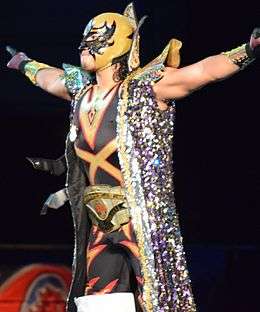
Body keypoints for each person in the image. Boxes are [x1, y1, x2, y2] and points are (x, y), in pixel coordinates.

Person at [6, 3, 260, 312]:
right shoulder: (81, 91)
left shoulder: (145, 88)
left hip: (139, 220)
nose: (84, 46)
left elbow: (202, 72)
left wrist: (246, 51)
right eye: (85, 38)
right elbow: (50, 78)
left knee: (154, 299)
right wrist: (23, 63)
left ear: (120, 44)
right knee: (100, 302)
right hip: (100, 221)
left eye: (95, 39)